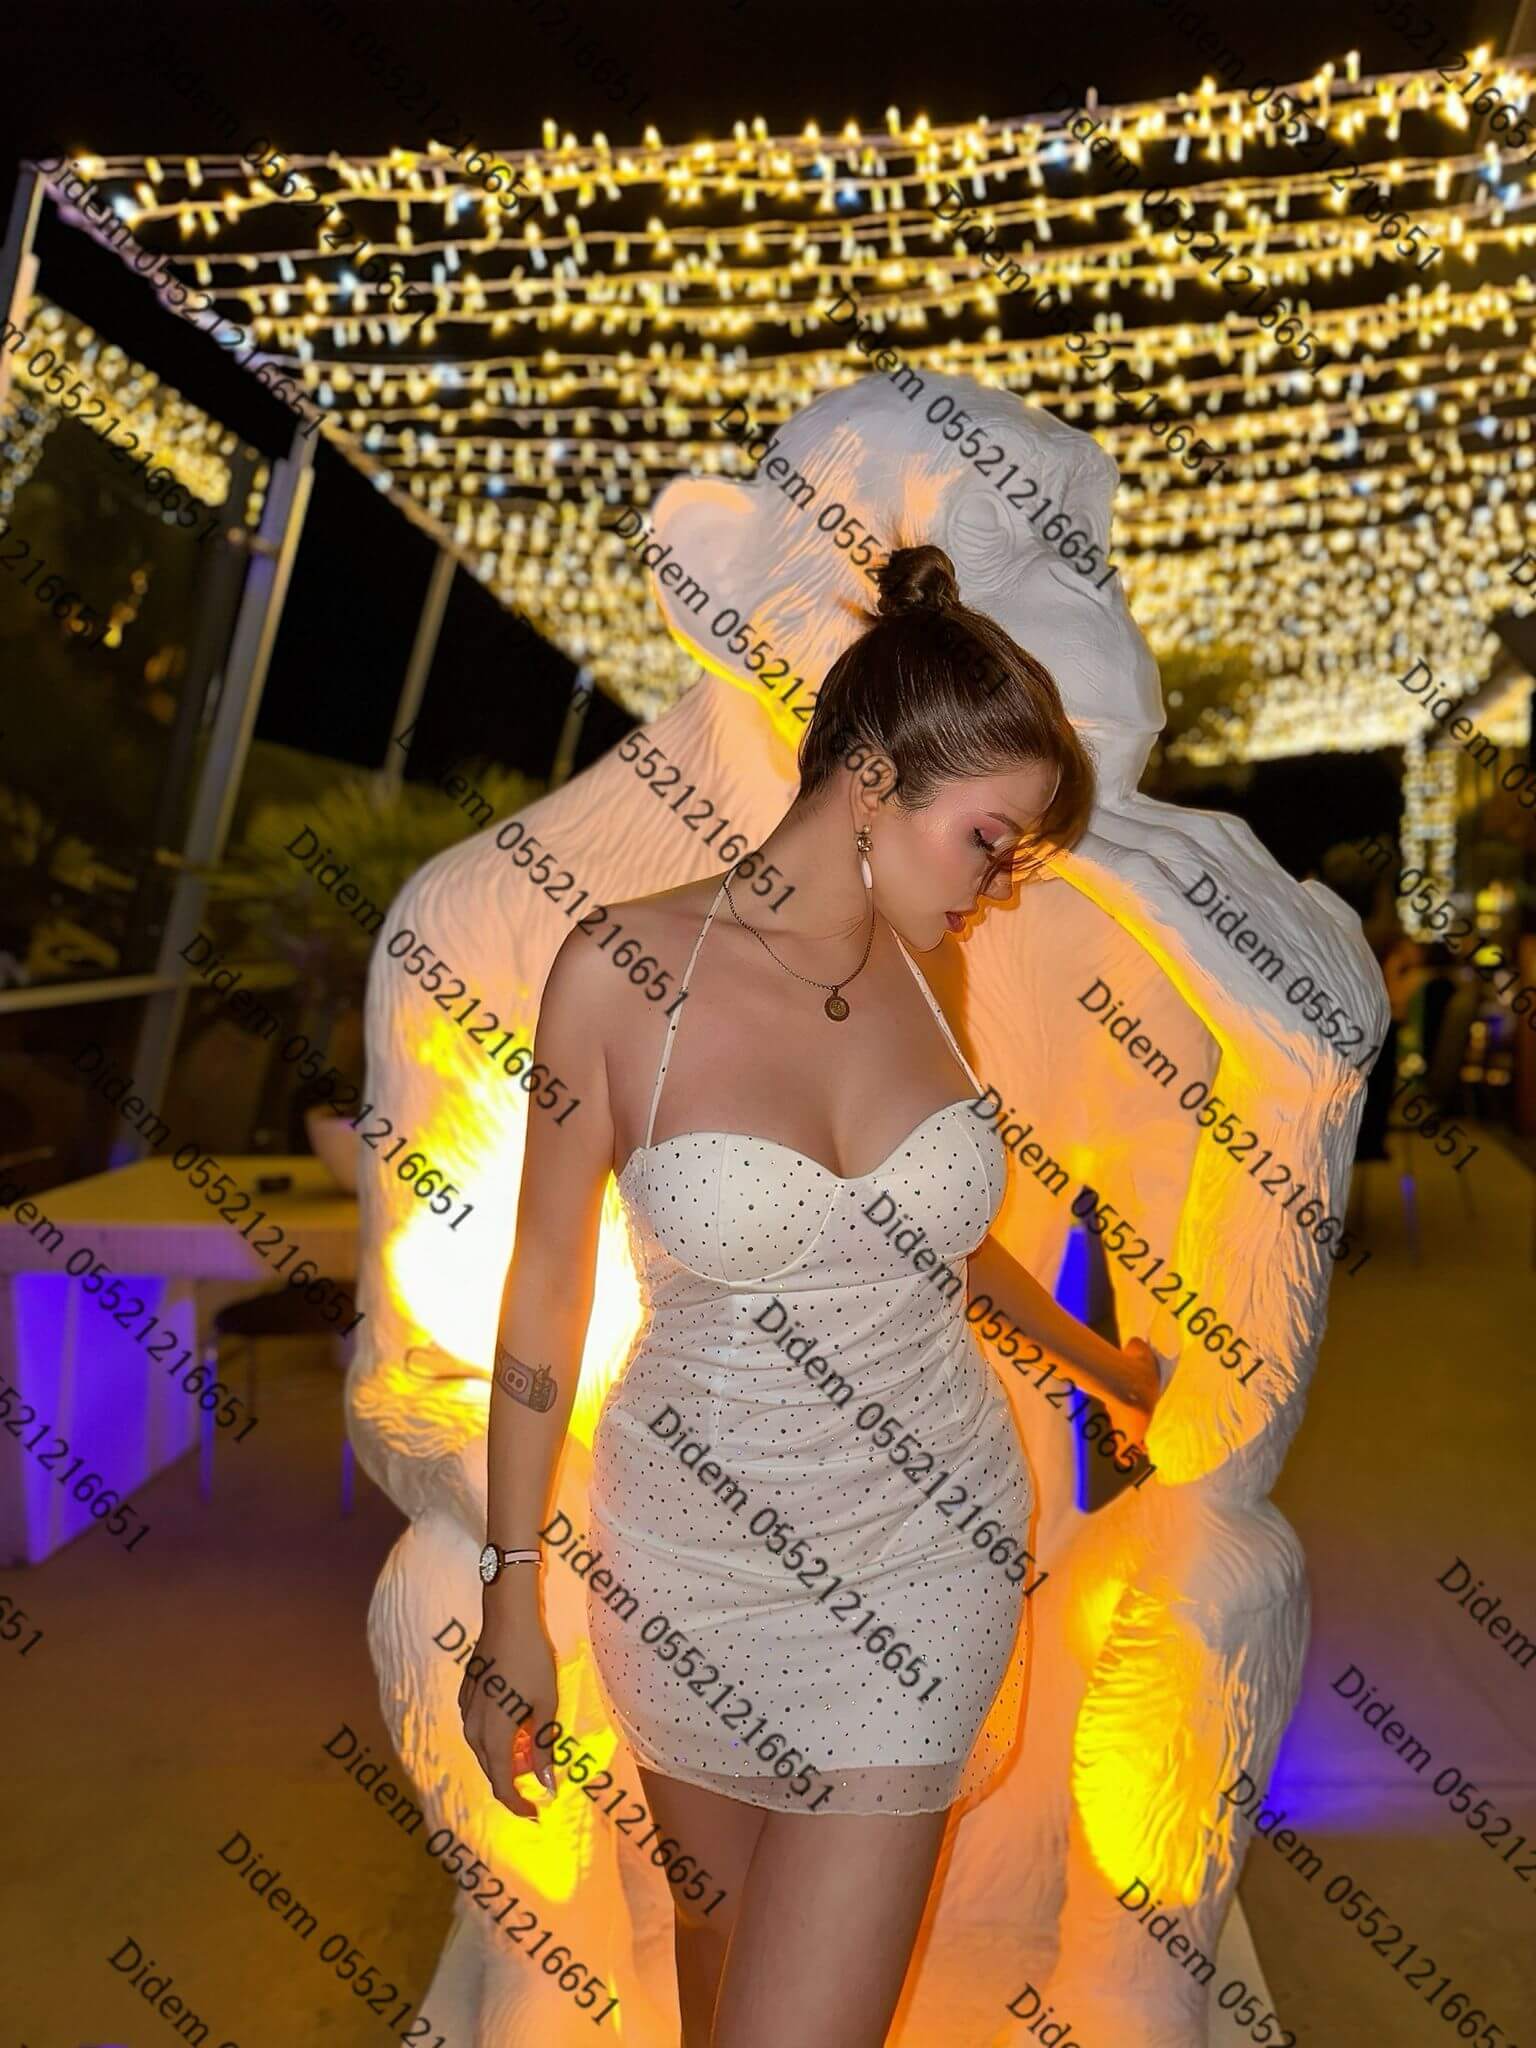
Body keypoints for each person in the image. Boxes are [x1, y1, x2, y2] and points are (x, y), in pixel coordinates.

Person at [459, 544, 1163, 2048]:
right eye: (989, 840)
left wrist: (1103, 1364)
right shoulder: (619, 971)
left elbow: (932, 1248)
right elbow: (543, 1290)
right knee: (719, 1972)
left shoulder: (930, 979)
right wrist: (509, 1593)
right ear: (871, 779)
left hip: (925, 1557)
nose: (996, 886)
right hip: (689, 1560)